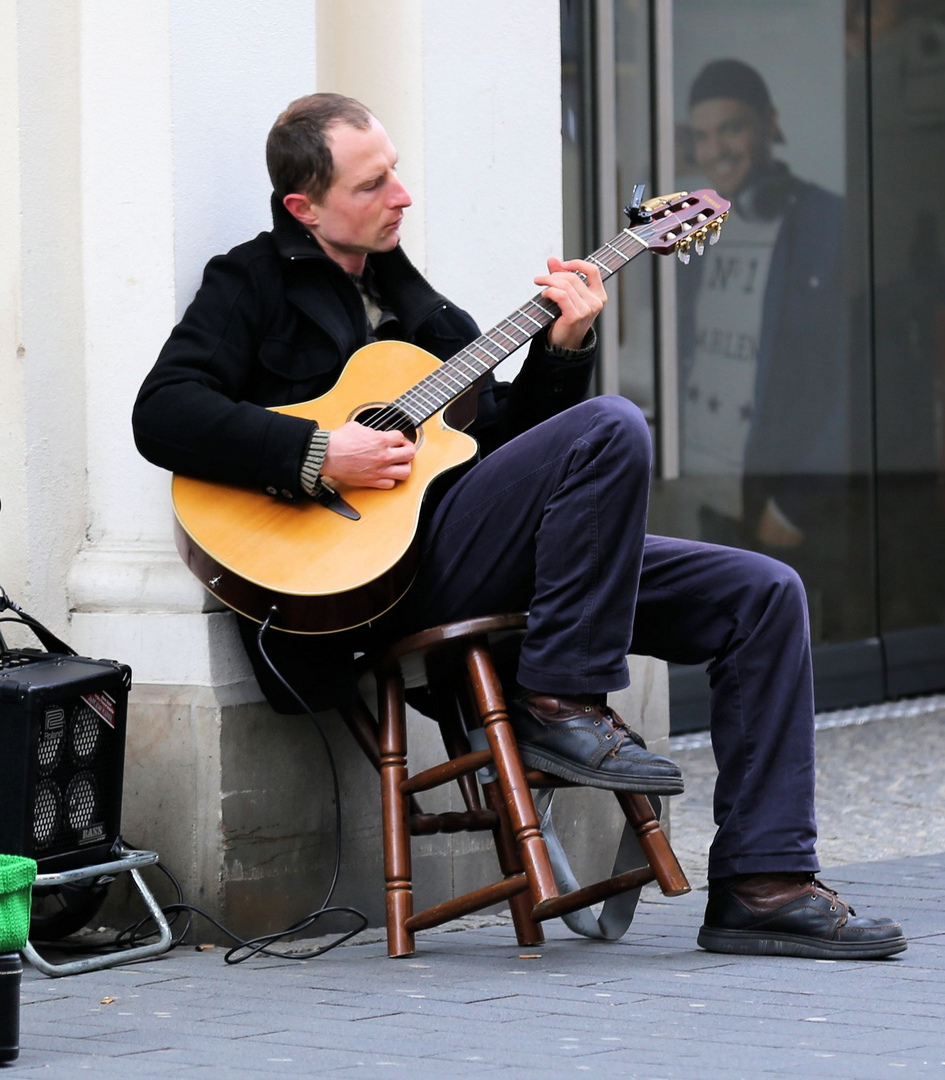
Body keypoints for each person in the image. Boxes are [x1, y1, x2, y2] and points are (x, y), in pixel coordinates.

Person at [131, 93, 904, 959]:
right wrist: (318, 453)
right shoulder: (250, 282)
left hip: (494, 552)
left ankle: (763, 885)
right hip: (376, 580)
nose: (401, 196)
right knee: (615, 424)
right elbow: (163, 414)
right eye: (373, 183)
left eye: (396, 172)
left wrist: (563, 348)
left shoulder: (414, 302)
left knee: (763, 592)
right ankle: (558, 699)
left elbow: (513, 439)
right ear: (303, 208)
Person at [679, 59, 865, 637]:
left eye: (731, 129)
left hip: (776, 498)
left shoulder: (825, 222)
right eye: (702, 137)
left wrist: (798, 499)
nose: (717, 151)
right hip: (704, 490)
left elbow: (857, 378)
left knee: (783, 647)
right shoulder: (694, 229)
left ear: (768, 124)